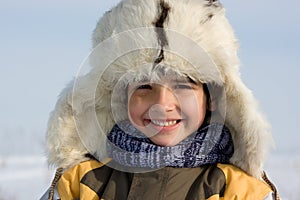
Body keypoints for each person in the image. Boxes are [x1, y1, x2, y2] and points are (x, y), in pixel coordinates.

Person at [41, 0, 280, 199]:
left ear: (212, 98)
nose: (161, 105)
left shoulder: (239, 192)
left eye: (183, 86)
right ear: (121, 97)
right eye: (145, 86)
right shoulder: (80, 184)